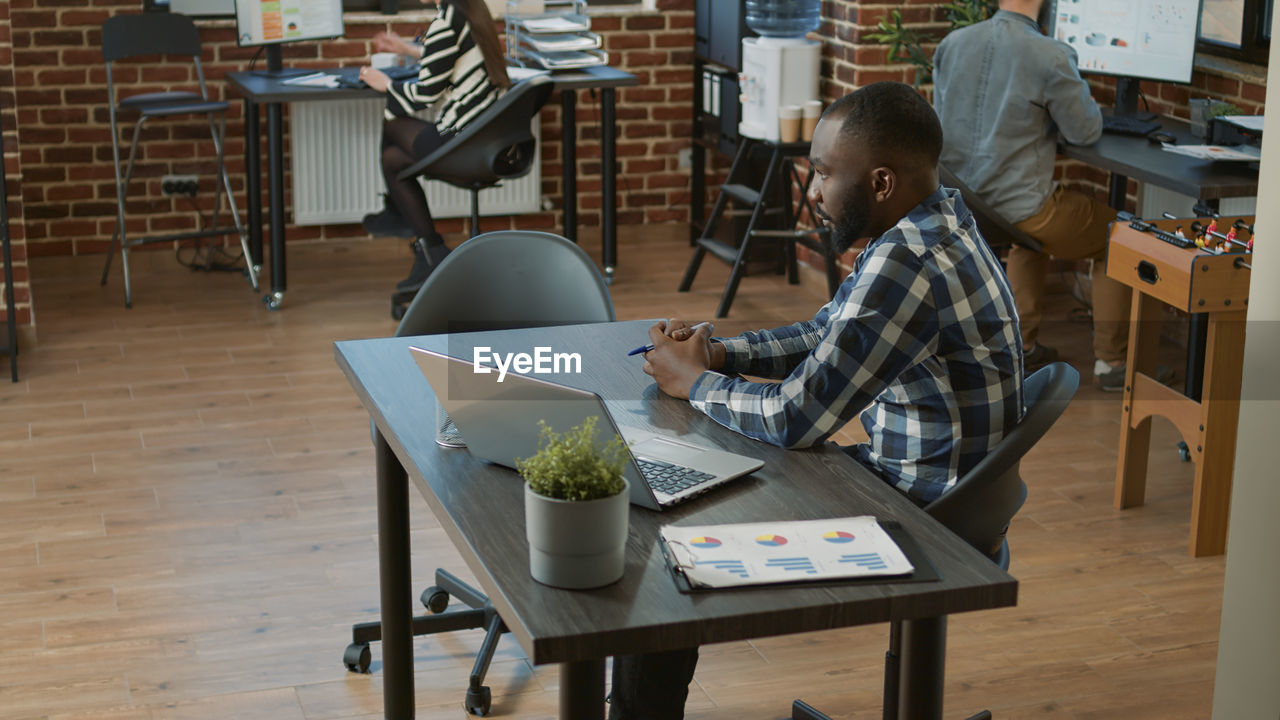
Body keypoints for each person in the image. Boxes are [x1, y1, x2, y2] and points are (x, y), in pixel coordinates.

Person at [611, 81, 1025, 720]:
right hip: (953, 494)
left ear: (881, 183)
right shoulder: (940, 223)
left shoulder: (905, 263)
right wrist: (720, 354)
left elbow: (794, 419)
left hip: (919, 514)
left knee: (674, 536)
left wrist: (691, 382)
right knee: (703, 470)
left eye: (826, 174)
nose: (815, 192)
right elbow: (828, 331)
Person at [932, 0, 1134, 391]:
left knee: (1031, 239)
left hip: (962, 202)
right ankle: (1113, 363)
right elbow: (1085, 133)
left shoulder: (952, 43)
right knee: (1121, 235)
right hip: (1020, 208)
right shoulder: (1051, 55)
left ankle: (1020, 347)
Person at [357, 0, 510, 309]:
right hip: (491, 140)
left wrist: (385, 84)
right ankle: (428, 248)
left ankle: (409, 225)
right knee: (393, 160)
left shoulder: (445, 21)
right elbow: (455, 54)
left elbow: (425, 95)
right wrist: (409, 49)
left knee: (394, 122)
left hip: (465, 144)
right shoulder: (468, 10)